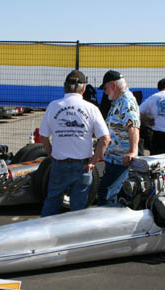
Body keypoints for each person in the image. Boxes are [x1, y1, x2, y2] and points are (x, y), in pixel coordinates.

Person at [39, 70, 110, 217]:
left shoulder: (53, 106)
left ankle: (43, 234)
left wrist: (51, 154)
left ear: (65, 87)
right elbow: (105, 139)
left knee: (52, 203)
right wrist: (93, 161)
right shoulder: (92, 109)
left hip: (59, 164)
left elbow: (43, 136)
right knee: (78, 211)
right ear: (83, 89)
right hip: (83, 166)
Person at [96, 70, 140, 206]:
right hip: (114, 159)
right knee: (107, 192)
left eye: (105, 88)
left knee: (107, 195)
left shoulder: (126, 102)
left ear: (113, 85)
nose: (105, 91)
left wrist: (133, 151)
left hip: (120, 161)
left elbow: (132, 126)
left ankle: (107, 225)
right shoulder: (118, 101)